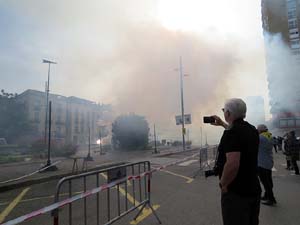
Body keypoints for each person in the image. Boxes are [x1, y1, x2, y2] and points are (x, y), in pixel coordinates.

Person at [210, 98, 261, 225]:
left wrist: (224, 184)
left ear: (228, 113)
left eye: (224, 111)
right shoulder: (252, 130)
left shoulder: (232, 133)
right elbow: (239, 134)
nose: (223, 113)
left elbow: (232, 164)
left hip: (236, 193)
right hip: (253, 188)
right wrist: (222, 124)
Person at [257, 124, 277, 206]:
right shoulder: (270, 136)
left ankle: (271, 199)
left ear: (260, 130)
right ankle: (267, 195)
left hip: (262, 162)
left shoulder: (260, 137)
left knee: (265, 182)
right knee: (269, 180)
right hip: (269, 162)